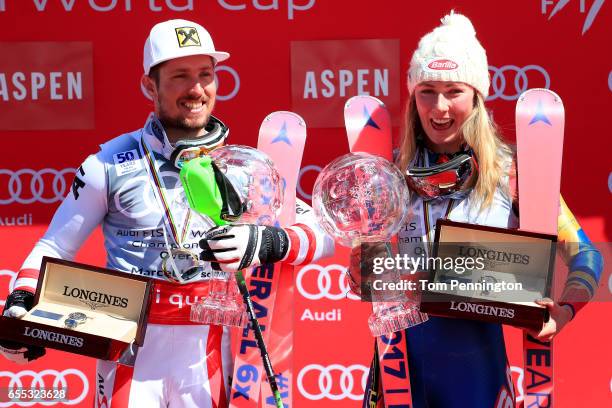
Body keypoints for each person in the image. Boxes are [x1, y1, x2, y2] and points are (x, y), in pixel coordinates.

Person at [0, 19, 334, 407]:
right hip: (129, 344)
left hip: (214, 345)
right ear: (149, 86)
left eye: (205, 75)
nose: (196, 90)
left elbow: (323, 236)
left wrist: (270, 240)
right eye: (179, 76)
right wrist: (22, 307)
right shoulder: (108, 163)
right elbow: (54, 245)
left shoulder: (245, 167)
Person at [351, 11, 603, 407]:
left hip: (477, 373)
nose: (439, 107)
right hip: (399, 366)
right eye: (427, 91)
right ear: (412, 97)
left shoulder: (511, 174)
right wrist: (364, 271)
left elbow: (586, 254)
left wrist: (565, 311)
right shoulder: (389, 177)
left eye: (454, 91)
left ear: (477, 97)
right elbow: (366, 280)